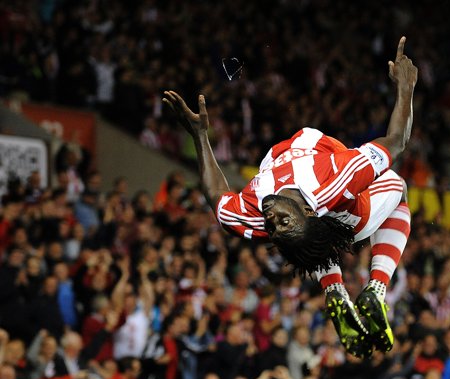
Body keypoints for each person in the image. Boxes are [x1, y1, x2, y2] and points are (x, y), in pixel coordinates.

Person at [163, 36, 418, 358]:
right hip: (354, 216)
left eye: (272, 228)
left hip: (320, 213)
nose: (270, 219)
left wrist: (200, 136)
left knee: (301, 245)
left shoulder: (250, 215)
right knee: (400, 188)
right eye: (283, 221)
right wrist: (406, 88)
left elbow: (216, 194)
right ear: (308, 214)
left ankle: (334, 289)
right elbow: (397, 140)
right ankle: (378, 288)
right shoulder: (337, 176)